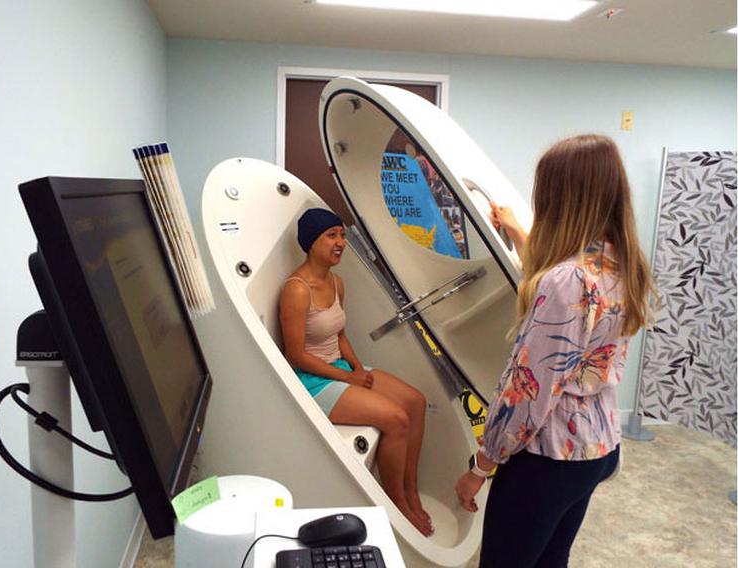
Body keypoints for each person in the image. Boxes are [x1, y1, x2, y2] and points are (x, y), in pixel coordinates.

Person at [455, 134, 656, 567]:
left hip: (547, 458)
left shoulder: (565, 282)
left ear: (559, 197)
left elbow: (528, 393)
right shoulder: (621, 264)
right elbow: (566, 296)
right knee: (550, 560)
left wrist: (481, 464)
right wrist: (515, 232)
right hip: (596, 447)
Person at [279, 208, 434, 536]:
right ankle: (398, 505)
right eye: (331, 235)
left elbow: (340, 336)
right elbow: (295, 356)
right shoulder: (296, 289)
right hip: (314, 381)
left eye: (342, 235)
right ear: (311, 242)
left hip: (340, 368)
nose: (340, 242)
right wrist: (349, 378)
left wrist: (358, 368)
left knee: (416, 402)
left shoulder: (337, 282)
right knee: (396, 419)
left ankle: (411, 490)